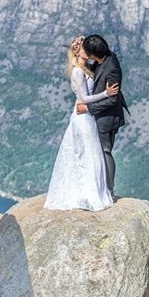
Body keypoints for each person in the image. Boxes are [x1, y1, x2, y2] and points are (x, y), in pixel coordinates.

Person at [44, 36, 121, 211]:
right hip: (83, 116)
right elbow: (84, 99)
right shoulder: (79, 72)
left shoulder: (86, 67)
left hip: (87, 116)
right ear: (77, 52)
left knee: (90, 153)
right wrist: (106, 94)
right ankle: (93, 192)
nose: (87, 50)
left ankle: (98, 190)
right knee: (89, 153)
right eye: (83, 48)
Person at [76, 34, 129, 198]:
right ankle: (100, 186)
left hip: (107, 118)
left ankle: (109, 190)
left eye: (86, 50)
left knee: (105, 151)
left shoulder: (111, 68)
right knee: (97, 151)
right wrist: (81, 46)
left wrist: (88, 108)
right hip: (99, 116)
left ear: (93, 54)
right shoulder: (102, 59)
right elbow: (88, 68)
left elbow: (112, 100)